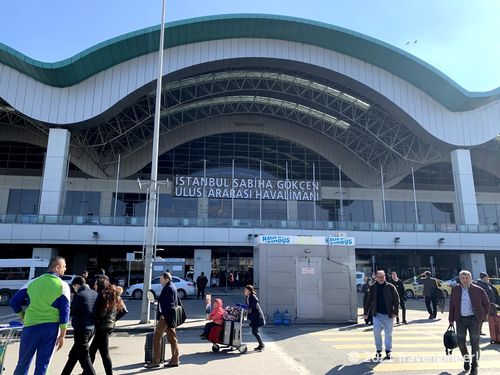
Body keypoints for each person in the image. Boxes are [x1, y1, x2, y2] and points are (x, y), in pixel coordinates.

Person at [10, 256, 70, 375]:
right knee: (43, 365)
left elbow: (14, 302)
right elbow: (65, 311)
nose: (65, 269)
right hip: (50, 329)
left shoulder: (32, 282)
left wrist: (23, 315)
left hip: (30, 327)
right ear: (57, 267)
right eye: (64, 267)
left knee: (23, 363)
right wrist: (62, 334)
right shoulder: (63, 286)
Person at [449, 270, 490, 375]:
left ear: (471, 278)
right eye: (462, 278)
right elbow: (452, 305)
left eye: (466, 277)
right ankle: (466, 359)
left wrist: (482, 317)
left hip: (474, 320)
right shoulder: (455, 290)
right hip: (460, 320)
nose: (464, 280)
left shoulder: (478, 290)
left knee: (475, 344)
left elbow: (487, 304)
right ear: (460, 279)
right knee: (461, 343)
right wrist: (451, 320)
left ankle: (474, 365)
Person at [89, 275, 128, 375]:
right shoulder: (113, 293)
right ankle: (87, 371)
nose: (94, 286)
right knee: (95, 351)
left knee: (103, 353)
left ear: (101, 284)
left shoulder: (103, 295)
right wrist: (112, 320)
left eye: (96, 284)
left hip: (102, 327)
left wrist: (96, 318)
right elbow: (123, 310)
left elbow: (101, 312)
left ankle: (89, 372)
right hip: (106, 327)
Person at [61, 276, 98, 375]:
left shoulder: (79, 295)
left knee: (84, 357)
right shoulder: (95, 294)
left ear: (76, 285)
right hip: (91, 328)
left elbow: (71, 312)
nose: (74, 289)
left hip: (81, 329)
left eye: (74, 287)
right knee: (74, 354)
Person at [144, 272, 180, 369]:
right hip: (171, 317)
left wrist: (163, 315)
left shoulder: (168, 288)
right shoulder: (172, 287)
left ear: (166, 279)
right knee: (172, 339)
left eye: (161, 279)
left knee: (157, 337)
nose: (160, 281)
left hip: (166, 317)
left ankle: (155, 361)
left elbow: (170, 303)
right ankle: (175, 360)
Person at [363, 270, 399, 361]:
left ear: (385, 277)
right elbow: (369, 301)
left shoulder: (390, 287)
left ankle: (388, 351)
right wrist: (365, 312)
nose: (381, 279)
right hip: (377, 314)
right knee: (376, 332)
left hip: (388, 314)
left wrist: (395, 312)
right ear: (376, 277)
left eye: (382, 277)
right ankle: (378, 350)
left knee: (388, 334)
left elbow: (396, 300)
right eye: (379, 277)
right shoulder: (373, 287)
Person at [244, 285, 266, 351]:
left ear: (250, 291)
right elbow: (247, 307)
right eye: (244, 290)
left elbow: (251, 307)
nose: (244, 291)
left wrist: (247, 313)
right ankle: (261, 345)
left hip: (257, 317)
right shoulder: (247, 297)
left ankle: (261, 345)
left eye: (246, 290)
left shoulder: (252, 297)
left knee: (254, 331)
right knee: (255, 331)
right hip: (254, 317)